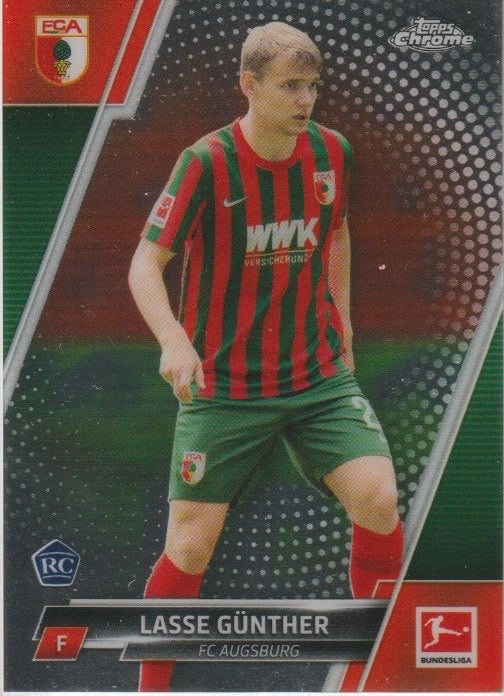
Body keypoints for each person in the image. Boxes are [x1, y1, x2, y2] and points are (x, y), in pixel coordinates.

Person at [129, 21, 403, 692]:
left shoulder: (331, 151)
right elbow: (145, 263)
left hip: (316, 378)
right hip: (225, 388)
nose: (306, 100)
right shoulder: (205, 161)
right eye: (291, 86)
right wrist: (174, 340)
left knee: (378, 497)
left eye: (313, 86)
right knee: (190, 547)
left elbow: (336, 234)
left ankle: (374, 674)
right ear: (249, 85)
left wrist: (343, 323)